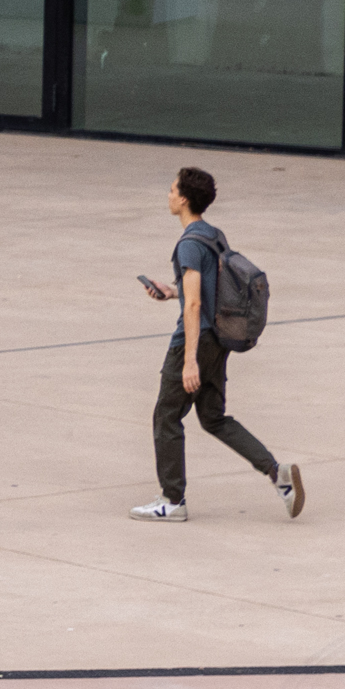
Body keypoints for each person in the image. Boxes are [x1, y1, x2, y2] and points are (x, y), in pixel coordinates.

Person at [135, 165, 301, 524]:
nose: (167, 195)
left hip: (194, 342)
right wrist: (171, 292)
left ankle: (172, 500)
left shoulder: (188, 246)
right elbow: (206, 292)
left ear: (182, 199)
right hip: (219, 339)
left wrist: (189, 360)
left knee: (166, 416)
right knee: (213, 418)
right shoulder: (213, 235)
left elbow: (195, 306)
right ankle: (277, 473)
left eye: (171, 189)